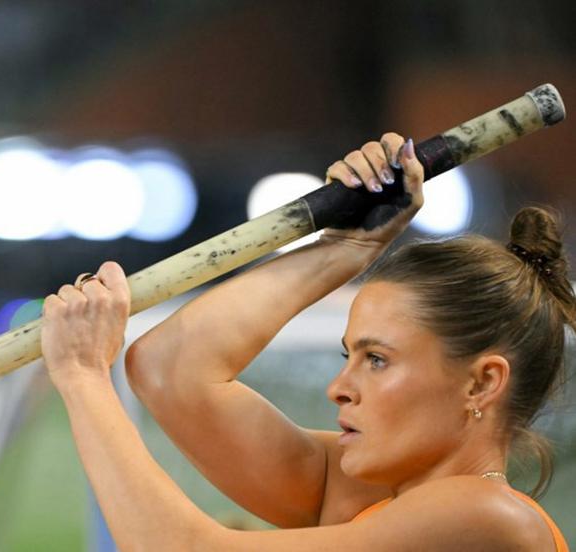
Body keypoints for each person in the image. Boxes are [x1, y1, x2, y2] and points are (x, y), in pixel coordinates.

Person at [40, 132, 572, 550]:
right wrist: (342, 249)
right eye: (349, 355)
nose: (339, 387)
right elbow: (170, 369)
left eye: (377, 359)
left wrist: (83, 375)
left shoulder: (490, 519)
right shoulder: (362, 495)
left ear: (482, 383)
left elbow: (180, 548)